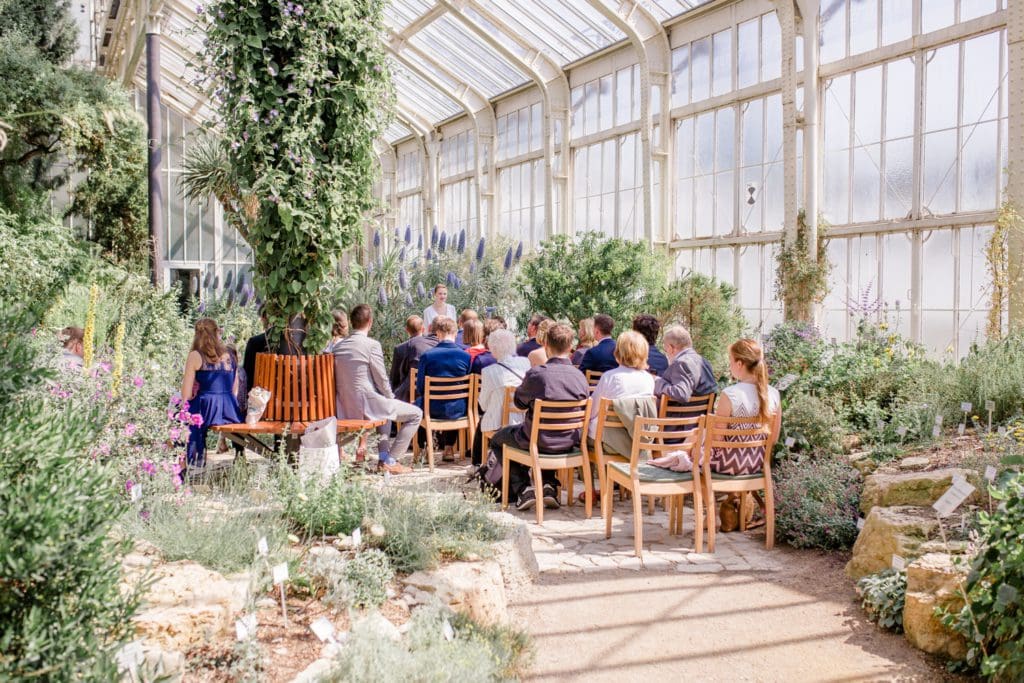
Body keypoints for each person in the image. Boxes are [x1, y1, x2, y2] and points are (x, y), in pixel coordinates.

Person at [487, 322, 588, 511]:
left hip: (537, 440)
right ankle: (549, 485)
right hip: (568, 440)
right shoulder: (580, 377)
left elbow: (519, 403)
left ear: (546, 346)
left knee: (499, 439)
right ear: (570, 347)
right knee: (543, 433)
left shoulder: (537, 375)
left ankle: (523, 488)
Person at [333, 304, 419, 474]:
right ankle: (391, 460)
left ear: (352, 322)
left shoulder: (338, 347)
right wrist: (390, 396)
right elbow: (381, 378)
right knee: (416, 414)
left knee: (384, 408)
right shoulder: (371, 345)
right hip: (365, 406)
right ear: (370, 322)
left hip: (342, 407)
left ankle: (383, 457)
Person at [709, 339, 781, 476]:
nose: (730, 365)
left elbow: (718, 440)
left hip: (727, 464)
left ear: (739, 364)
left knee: (689, 450)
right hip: (758, 463)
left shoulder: (730, 394)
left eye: (730, 360)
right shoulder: (774, 394)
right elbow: (774, 438)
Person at [180, 318, 243, 470]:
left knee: (180, 416)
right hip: (230, 409)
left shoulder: (196, 355)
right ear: (217, 333)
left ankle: (188, 464)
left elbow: (186, 395)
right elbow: (235, 388)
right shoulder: (230, 355)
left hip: (206, 407)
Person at [415, 316, 471, 461]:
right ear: (455, 333)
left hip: (432, 408)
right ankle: (449, 448)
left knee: (419, 404)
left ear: (438, 334)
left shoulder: (427, 356)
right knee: (455, 398)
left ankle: (425, 449)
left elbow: (420, 388)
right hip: (458, 409)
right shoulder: (465, 356)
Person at [474, 329, 530, 466]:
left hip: (498, 424)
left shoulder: (488, 372)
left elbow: (483, 405)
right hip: (523, 420)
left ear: (492, 347)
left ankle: (477, 464)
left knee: (482, 422)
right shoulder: (525, 363)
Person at [587, 331, 655, 441]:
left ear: (618, 352)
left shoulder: (610, 377)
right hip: (639, 440)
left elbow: (592, 411)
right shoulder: (649, 379)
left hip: (609, 441)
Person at [653, 325, 718, 405]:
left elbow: (681, 394)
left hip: (679, 416)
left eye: (665, 350)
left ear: (670, 348)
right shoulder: (705, 362)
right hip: (701, 415)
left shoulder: (681, 363)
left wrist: (656, 381)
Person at [390, 315, 437, 400]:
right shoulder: (433, 345)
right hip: (429, 391)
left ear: (407, 330)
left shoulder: (400, 348)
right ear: (423, 329)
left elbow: (394, 378)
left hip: (408, 395)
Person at [242, 309, 270, 398]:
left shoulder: (255, 342)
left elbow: (248, 372)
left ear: (264, 318)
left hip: (261, 395)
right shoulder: (298, 342)